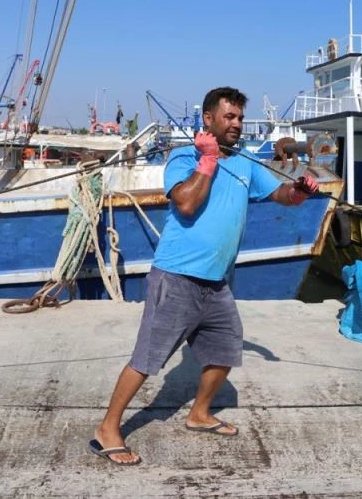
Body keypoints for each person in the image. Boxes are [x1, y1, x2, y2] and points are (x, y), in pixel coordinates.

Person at [89, 86, 319, 466]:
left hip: (217, 283)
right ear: (208, 119)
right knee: (147, 359)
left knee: (226, 349)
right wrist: (208, 159)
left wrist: (299, 191)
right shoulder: (184, 157)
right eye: (229, 117)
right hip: (177, 277)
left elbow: (278, 195)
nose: (237, 124)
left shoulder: (245, 162)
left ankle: (199, 413)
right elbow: (187, 203)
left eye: (240, 117)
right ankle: (107, 429)